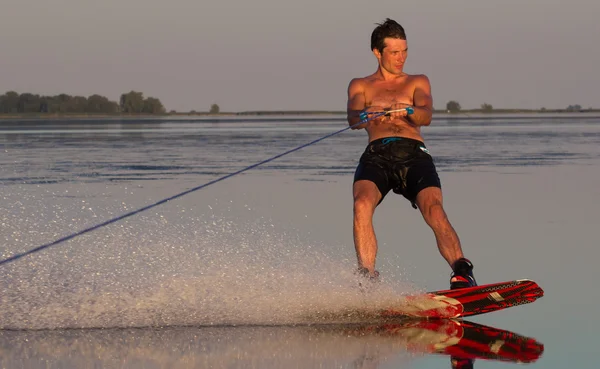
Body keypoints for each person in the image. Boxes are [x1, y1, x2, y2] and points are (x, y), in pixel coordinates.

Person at [346, 18, 476, 289]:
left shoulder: (417, 81)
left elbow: (426, 116)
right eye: (394, 52)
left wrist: (406, 110)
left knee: (434, 208)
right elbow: (353, 119)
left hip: (414, 154)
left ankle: (462, 272)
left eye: (404, 51)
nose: (401, 57)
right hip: (377, 155)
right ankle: (366, 278)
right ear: (377, 52)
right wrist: (363, 114)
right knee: (361, 204)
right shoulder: (360, 84)